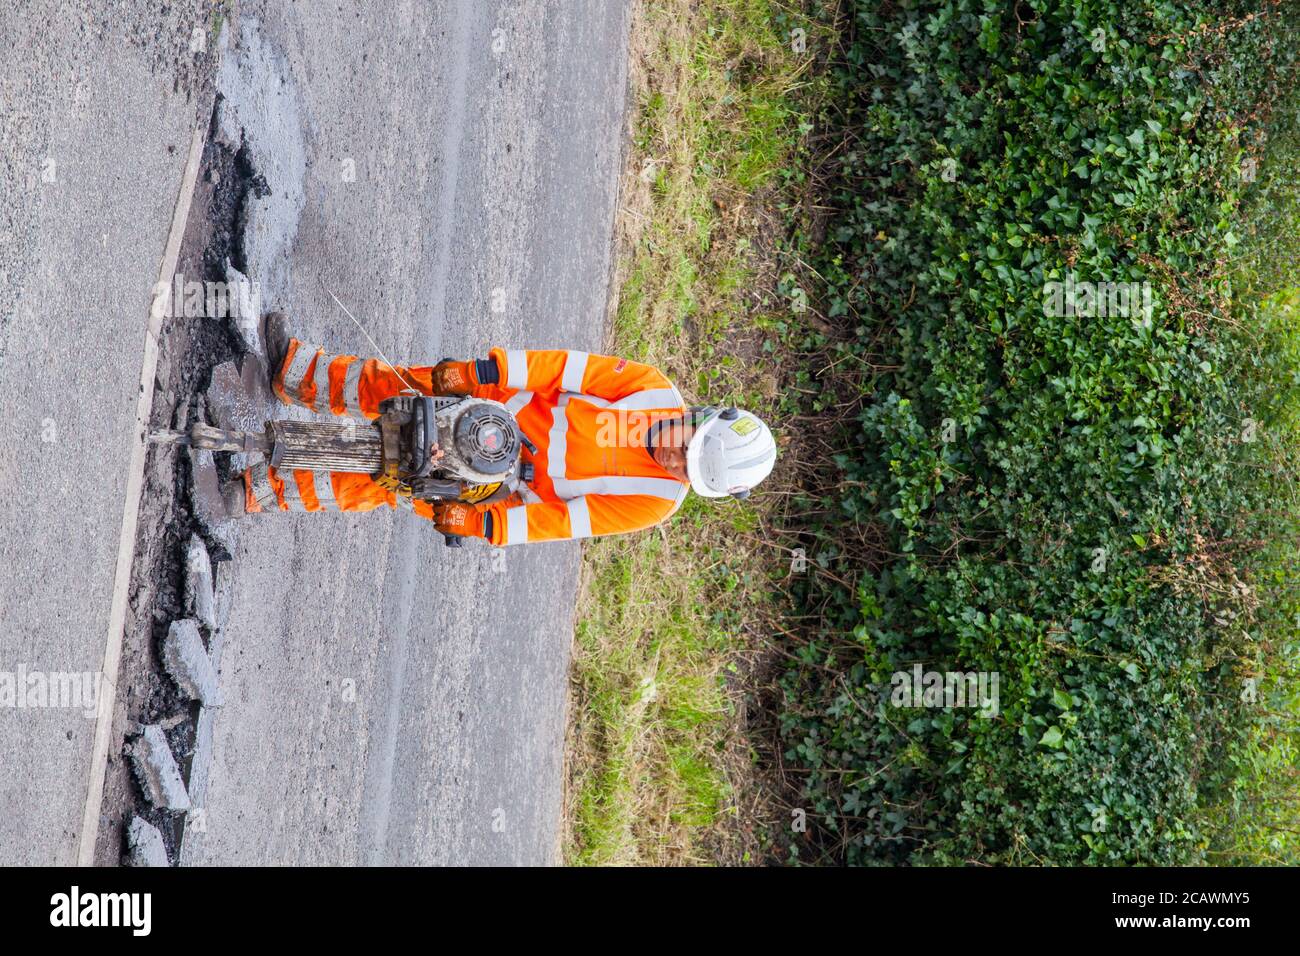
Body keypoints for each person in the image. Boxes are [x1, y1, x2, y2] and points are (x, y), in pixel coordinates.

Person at [214, 313, 777, 546]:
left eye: (687, 470)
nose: (676, 460)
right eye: (689, 447)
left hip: (508, 486)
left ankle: (260, 490)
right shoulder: (652, 389)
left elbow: (562, 520)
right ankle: (299, 375)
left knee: (389, 478)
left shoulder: (654, 500)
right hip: (501, 406)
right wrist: (483, 373)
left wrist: (482, 525)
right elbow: (562, 368)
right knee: (399, 389)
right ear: (701, 418)